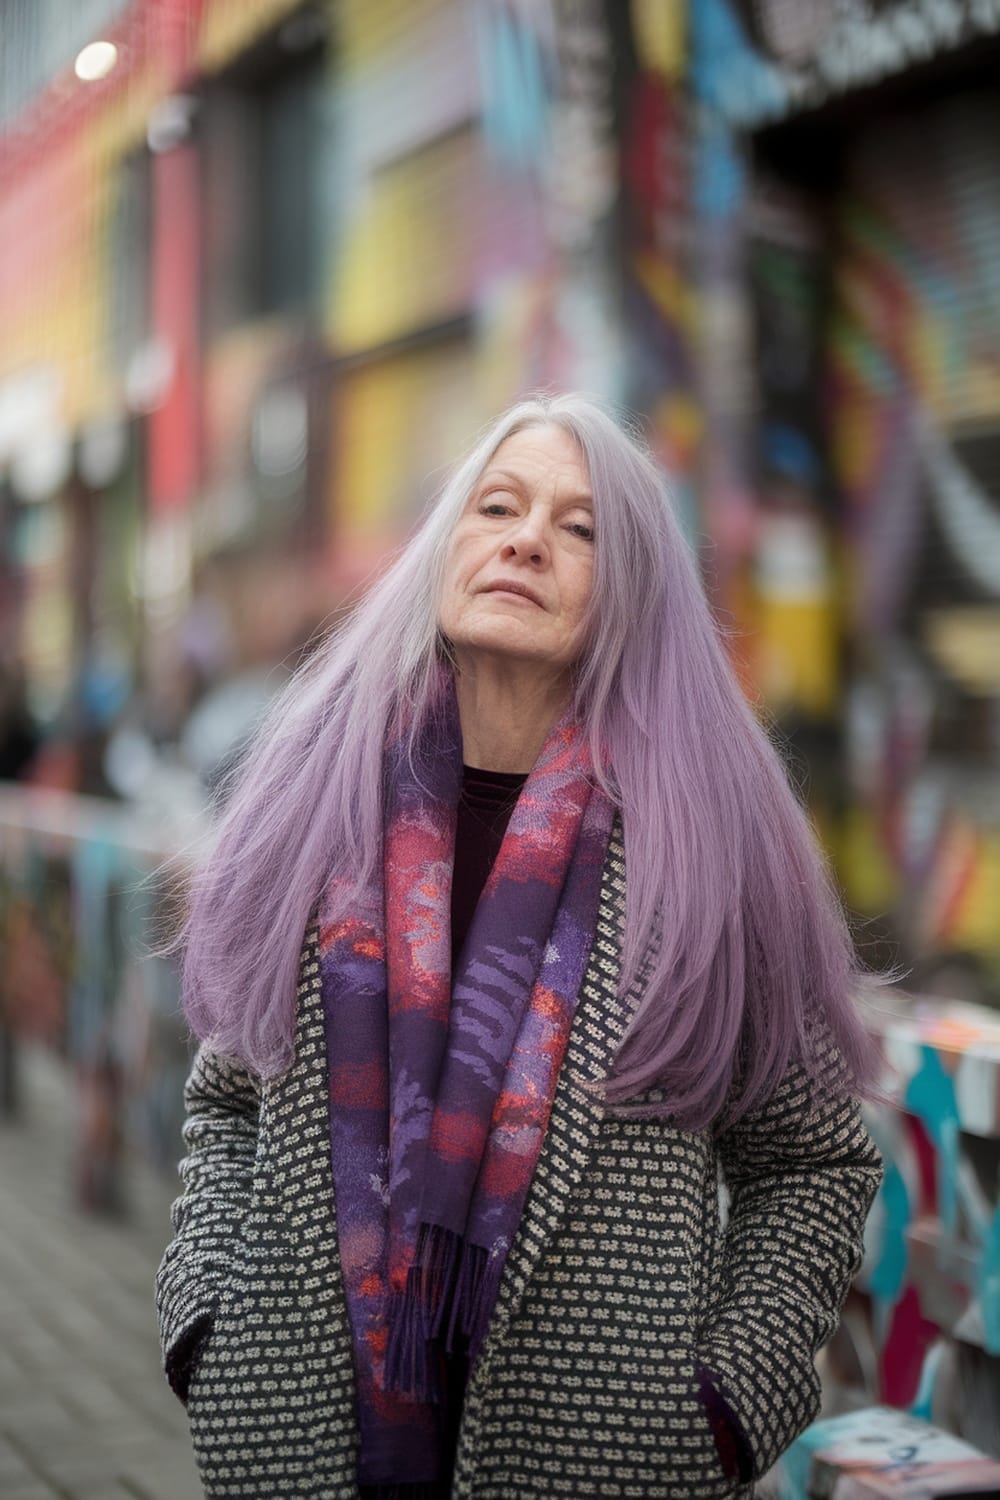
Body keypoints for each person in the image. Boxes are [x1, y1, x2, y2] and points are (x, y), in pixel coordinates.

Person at [157, 394, 884, 1499]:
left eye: (579, 528)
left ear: (633, 590)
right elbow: (228, 1103)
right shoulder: (322, 803)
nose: (527, 539)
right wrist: (210, 1326)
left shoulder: (706, 851)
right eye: (497, 506)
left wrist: (726, 1406)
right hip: (305, 1447)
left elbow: (812, 1162)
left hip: (607, 1464)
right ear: (443, 551)